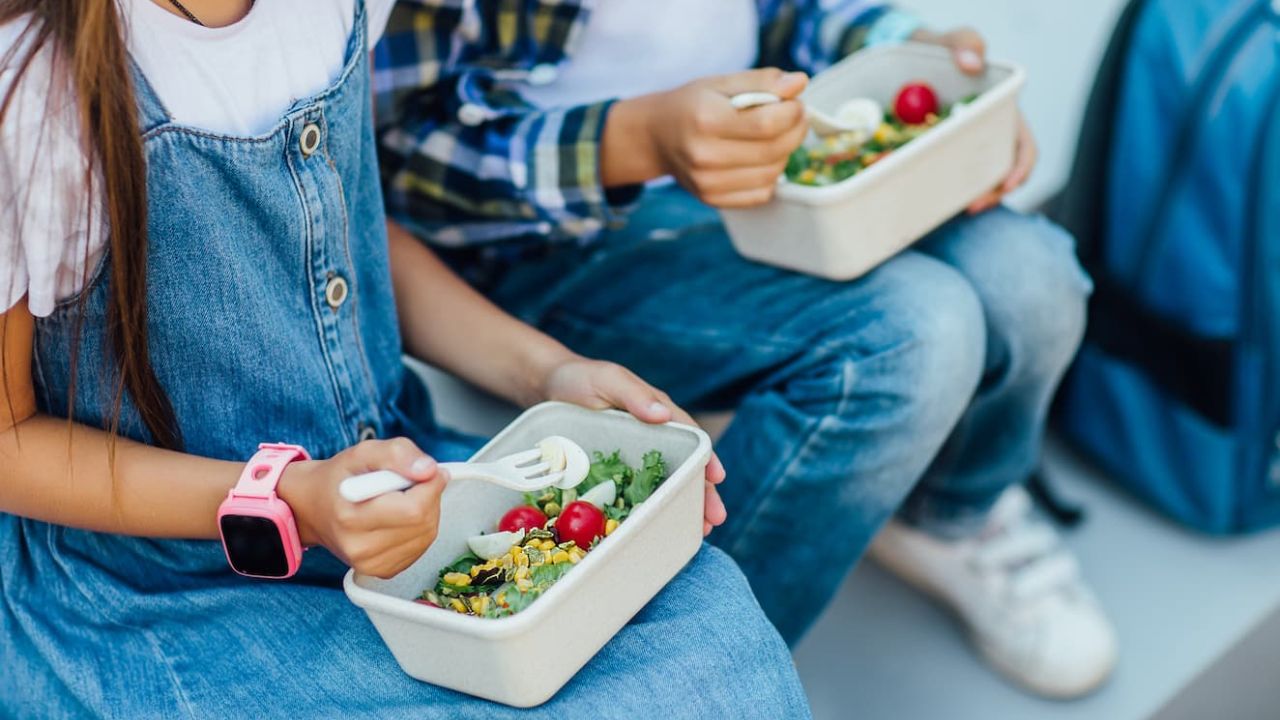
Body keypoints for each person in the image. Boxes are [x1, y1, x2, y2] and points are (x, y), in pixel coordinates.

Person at [0, 1, 812, 717]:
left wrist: (549, 376)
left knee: (714, 637)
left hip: (405, 492)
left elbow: (347, 229)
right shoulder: (28, 91)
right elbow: (9, 440)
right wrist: (293, 501)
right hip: (149, 586)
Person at [375, 0, 1118, 699]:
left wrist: (902, 51)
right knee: (914, 332)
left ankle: (947, 513)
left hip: (775, 162)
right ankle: (684, 684)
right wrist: (636, 140)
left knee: (1032, 278)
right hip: (547, 241)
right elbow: (394, 161)